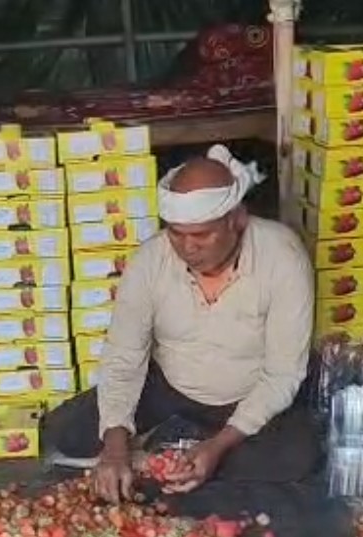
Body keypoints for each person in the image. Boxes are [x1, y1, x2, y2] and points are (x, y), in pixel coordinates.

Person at [42, 145, 319, 502]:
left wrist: (220, 444)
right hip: (170, 385)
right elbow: (124, 357)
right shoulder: (150, 260)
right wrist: (114, 446)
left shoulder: (283, 257)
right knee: (65, 431)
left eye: (202, 235)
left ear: (237, 219)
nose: (188, 247)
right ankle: (173, 451)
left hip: (247, 395)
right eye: (176, 233)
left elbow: (282, 374)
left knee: (296, 456)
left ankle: (179, 452)